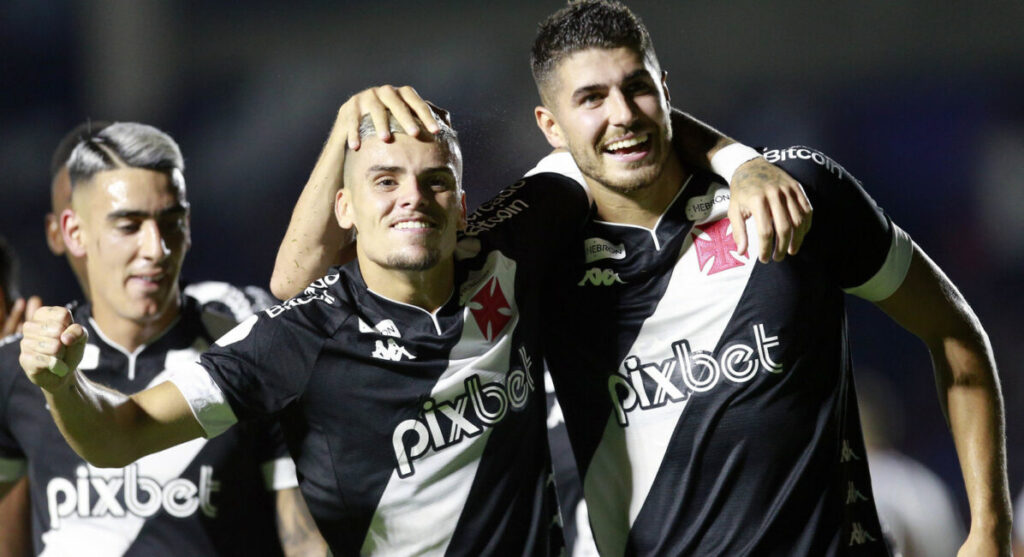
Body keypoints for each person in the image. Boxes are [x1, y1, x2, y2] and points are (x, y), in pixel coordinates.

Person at [526, 2, 1009, 555]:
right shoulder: (540, 262)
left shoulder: (795, 194)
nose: (623, 114)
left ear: (664, 88)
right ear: (551, 126)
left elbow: (953, 331)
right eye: (591, 98)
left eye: (636, 87)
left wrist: (988, 530)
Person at [0, 122, 325, 556]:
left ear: (188, 226)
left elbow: (303, 540)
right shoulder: (16, 369)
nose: (156, 249)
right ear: (74, 232)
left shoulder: (247, 355)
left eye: (171, 223)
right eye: (129, 225)